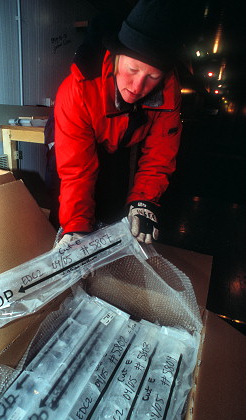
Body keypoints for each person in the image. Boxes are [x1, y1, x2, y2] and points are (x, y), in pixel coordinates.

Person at [53, 0, 188, 245]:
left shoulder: (169, 92)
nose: (138, 87)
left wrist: (144, 202)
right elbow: (76, 169)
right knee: (71, 213)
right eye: (133, 69)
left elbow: (160, 154)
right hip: (78, 140)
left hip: (124, 142)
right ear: (116, 56)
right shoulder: (77, 89)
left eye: (152, 76)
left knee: (117, 208)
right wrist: (76, 227)